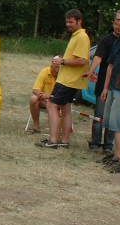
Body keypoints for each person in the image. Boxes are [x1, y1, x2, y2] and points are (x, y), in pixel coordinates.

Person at [36, 9, 90, 148]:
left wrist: (62, 61)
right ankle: (64, 141)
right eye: (67, 21)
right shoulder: (75, 35)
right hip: (66, 79)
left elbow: (82, 61)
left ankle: (53, 140)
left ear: (79, 21)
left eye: (71, 22)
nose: (68, 24)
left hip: (69, 80)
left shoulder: (82, 37)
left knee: (52, 105)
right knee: (65, 108)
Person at [85, 18, 120, 151]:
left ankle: (108, 145)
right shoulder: (106, 40)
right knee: (99, 115)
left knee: (112, 118)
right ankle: (95, 143)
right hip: (103, 84)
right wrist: (90, 71)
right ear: (113, 24)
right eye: (116, 24)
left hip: (118, 85)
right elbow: (98, 57)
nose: (119, 27)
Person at [100, 7, 120, 172]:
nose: (119, 23)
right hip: (113, 88)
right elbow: (110, 65)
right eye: (118, 20)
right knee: (112, 123)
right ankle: (117, 155)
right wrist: (105, 88)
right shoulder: (119, 40)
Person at [27, 56, 60, 133]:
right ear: (52, 63)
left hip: (58, 102)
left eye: (60, 66)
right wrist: (43, 95)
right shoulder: (45, 71)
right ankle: (36, 126)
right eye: (56, 65)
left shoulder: (63, 75)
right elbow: (35, 89)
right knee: (33, 99)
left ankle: (55, 132)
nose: (58, 68)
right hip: (44, 100)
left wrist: (49, 96)